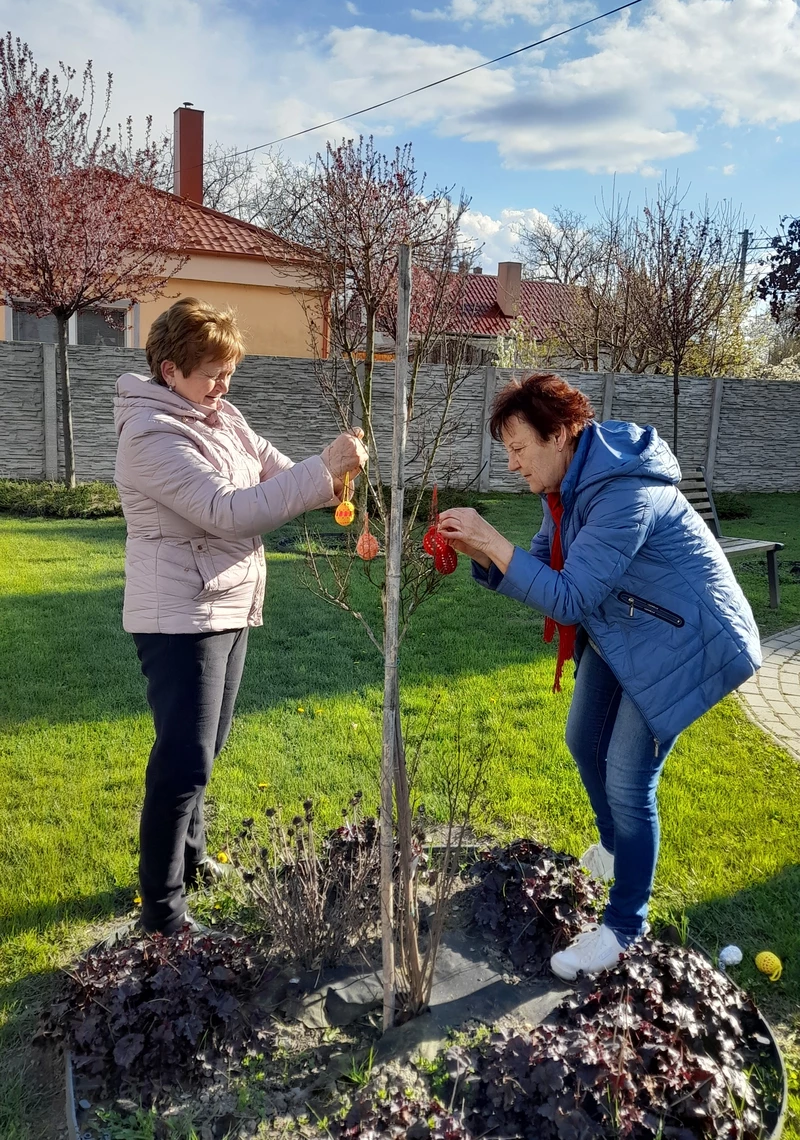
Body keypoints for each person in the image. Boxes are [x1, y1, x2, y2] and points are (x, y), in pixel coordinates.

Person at [437, 373, 761, 982]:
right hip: (629, 626)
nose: (511, 465)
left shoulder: (621, 491)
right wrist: (483, 553)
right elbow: (545, 562)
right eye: (506, 451)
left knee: (629, 778)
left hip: (683, 638)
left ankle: (622, 929)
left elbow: (571, 596)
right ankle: (615, 852)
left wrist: (494, 542)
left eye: (518, 449)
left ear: (560, 435)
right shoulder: (567, 485)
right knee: (583, 740)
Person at [114, 297, 367, 935]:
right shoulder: (151, 435)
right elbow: (229, 510)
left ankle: (193, 861)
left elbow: (276, 474)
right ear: (169, 370)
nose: (223, 384)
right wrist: (321, 470)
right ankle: (162, 910)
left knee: (209, 745)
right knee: (184, 759)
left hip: (226, 600)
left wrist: (335, 479)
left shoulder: (220, 416)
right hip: (178, 614)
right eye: (210, 372)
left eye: (228, 370)